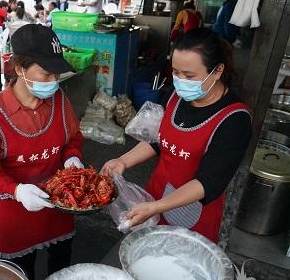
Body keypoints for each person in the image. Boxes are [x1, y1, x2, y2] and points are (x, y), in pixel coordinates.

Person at [101, 28, 251, 244]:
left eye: (189, 75)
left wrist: (157, 207)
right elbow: (156, 141)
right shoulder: (173, 95)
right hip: (154, 196)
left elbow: (208, 183)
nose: (180, 80)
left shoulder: (234, 119)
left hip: (193, 211)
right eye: (176, 72)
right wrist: (123, 161)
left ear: (217, 71)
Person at [0, 24, 84, 280]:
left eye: (57, 74)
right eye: (45, 74)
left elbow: (72, 138)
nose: (53, 82)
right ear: (20, 69)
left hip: (59, 209)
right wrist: (17, 191)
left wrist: (71, 156)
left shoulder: (59, 100)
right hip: (16, 217)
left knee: (60, 275)